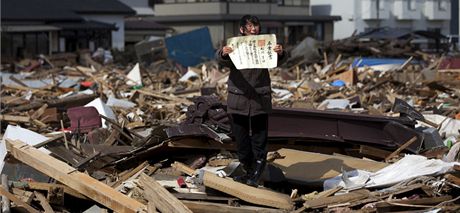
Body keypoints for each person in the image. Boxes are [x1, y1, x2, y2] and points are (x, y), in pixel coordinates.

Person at [215, 15, 287, 187]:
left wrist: (281, 52)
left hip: (259, 100)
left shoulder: (266, 43)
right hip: (238, 98)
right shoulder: (235, 46)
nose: (254, 29)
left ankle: (256, 174)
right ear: (242, 30)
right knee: (241, 141)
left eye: (256, 26)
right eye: (250, 26)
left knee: (259, 140)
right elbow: (219, 59)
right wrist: (223, 53)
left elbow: (278, 60)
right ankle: (248, 170)